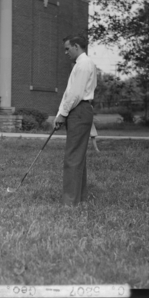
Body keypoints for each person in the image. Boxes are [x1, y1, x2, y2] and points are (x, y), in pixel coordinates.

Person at [53, 35, 97, 206]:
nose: (65, 52)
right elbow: (69, 92)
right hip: (79, 110)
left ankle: (70, 202)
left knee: (72, 157)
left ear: (76, 46)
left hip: (79, 110)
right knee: (77, 156)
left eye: (67, 48)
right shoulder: (81, 64)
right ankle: (80, 198)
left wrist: (62, 114)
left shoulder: (84, 64)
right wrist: (60, 112)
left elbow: (76, 94)